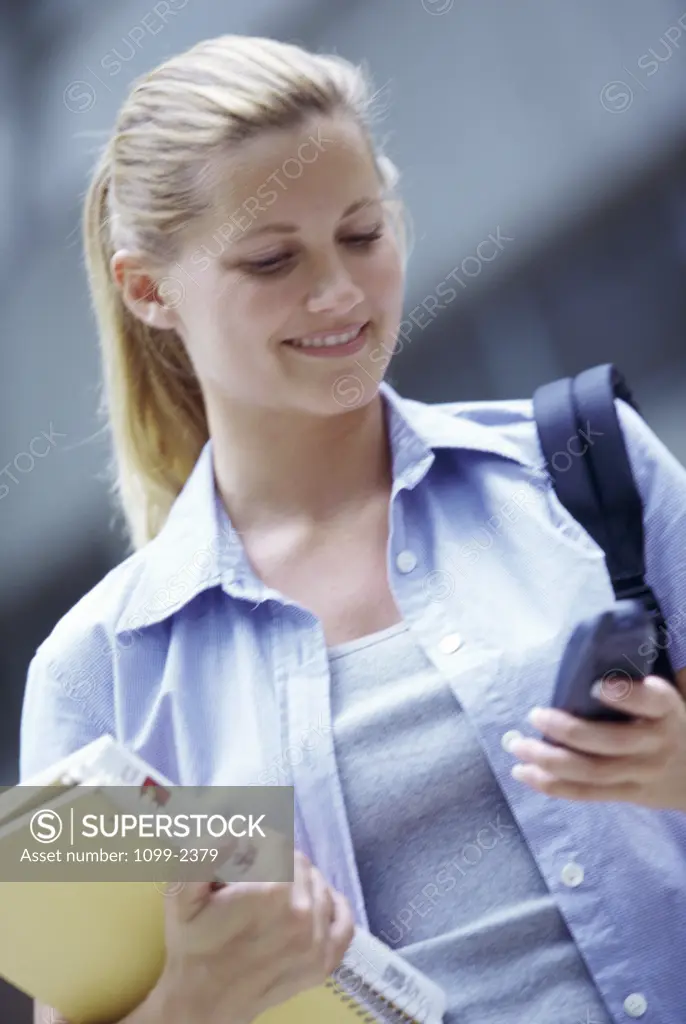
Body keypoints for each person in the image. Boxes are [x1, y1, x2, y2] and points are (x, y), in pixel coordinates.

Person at [19, 32, 686, 1024]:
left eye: (362, 235)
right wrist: (196, 996)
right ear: (148, 290)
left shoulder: (589, 466)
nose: (336, 292)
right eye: (271, 258)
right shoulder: (98, 671)